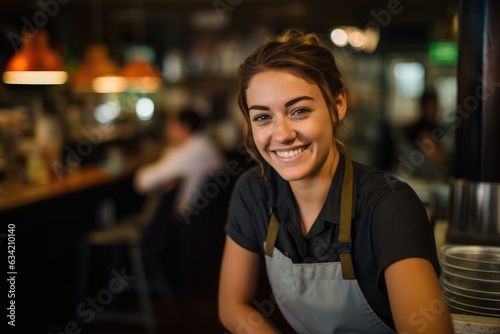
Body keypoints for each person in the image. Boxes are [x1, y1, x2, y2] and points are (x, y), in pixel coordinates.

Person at [218, 28, 454, 334]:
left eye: (299, 110)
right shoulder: (254, 191)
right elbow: (232, 305)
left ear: (337, 105)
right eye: (263, 117)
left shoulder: (390, 206)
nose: (282, 134)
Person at [403, 90, 448, 180]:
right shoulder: (421, 128)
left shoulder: (438, 127)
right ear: (423, 107)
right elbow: (437, 157)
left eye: (435, 105)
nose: (434, 109)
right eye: (430, 106)